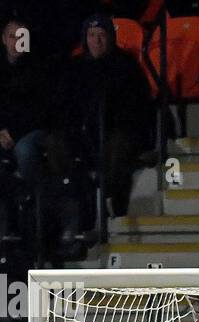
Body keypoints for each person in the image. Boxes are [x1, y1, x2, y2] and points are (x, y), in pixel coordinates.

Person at [63, 13, 153, 217]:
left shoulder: (126, 66)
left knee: (117, 147)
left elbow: (137, 107)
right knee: (57, 144)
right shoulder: (75, 68)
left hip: (118, 129)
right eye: (91, 35)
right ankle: (81, 206)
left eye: (101, 35)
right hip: (84, 130)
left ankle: (111, 201)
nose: (96, 41)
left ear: (111, 37)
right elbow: (66, 105)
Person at [0, 19, 60, 185]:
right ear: (4, 39)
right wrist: (0, 130)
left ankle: (32, 195)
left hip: (31, 128)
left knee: (24, 150)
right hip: (1, 130)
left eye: (21, 37)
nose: (17, 41)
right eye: (12, 37)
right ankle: (5, 190)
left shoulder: (41, 65)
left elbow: (42, 108)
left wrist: (14, 132)